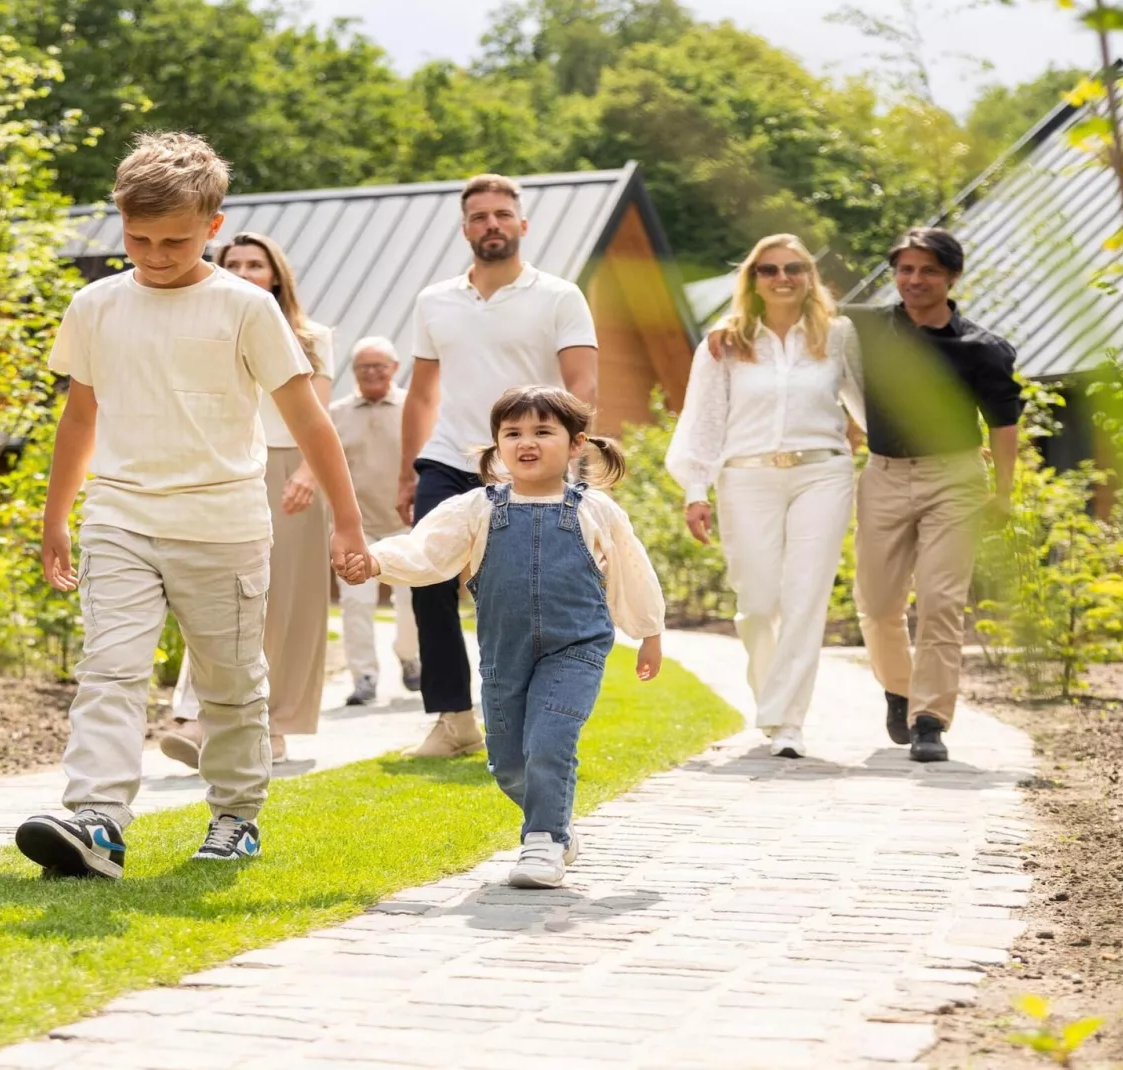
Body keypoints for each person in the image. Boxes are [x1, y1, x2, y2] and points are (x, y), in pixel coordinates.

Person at [14, 132, 369, 877]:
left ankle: (237, 815)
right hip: (120, 518)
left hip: (223, 525)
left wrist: (348, 519)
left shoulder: (245, 308)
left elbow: (309, 419)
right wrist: (56, 517)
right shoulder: (96, 305)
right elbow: (80, 418)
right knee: (109, 670)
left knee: (231, 683)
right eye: (137, 237)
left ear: (213, 226)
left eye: (174, 239)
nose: (154, 253)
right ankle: (97, 821)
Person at [346, 386, 663, 889]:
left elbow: (632, 570)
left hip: (576, 647)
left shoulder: (596, 511)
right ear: (496, 446)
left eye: (542, 431)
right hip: (503, 652)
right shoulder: (478, 507)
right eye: (512, 433)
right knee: (510, 761)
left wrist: (648, 632)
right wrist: (377, 559)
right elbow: (427, 550)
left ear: (576, 444)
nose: (526, 442)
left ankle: (540, 841)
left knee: (550, 739)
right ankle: (557, 826)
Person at [397, 174, 599, 759]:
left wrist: (565, 458)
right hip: (449, 457)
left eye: (502, 215)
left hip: (526, 463)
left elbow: (581, 384)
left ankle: (534, 716)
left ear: (522, 225)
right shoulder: (433, 300)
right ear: (466, 229)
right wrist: (408, 471)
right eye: (480, 216)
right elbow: (421, 394)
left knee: (520, 593)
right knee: (427, 576)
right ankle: (454, 718)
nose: (492, 225)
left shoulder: (560, 296)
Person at [666, 235, 864, 760]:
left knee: (805, 596)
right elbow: (704, 419)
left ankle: (787, 721)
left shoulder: (839, 335)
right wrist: (695, 489)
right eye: (770, 269)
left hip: (822, 474)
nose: (783, 277)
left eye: (794, 268)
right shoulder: (724, 342)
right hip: (746, 477)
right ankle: (772, 704)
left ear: (809, 276)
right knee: (756, 602)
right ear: (753, 278)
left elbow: (867, 407)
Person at [159, 232, 334, 767]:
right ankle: (193, 717)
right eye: (233, 263)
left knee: (286, 607)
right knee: (213, 595)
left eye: (256, 264)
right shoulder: (203, 331)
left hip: (290, 473)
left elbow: (318, 417)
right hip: (226, 470)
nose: (244, 271)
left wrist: (309, 472)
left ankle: (274, 725)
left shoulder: (312, 337)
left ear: (276, 275)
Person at [847, 227, 1021, 763]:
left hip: (954, 478)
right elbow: (800, 310)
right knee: (876, 604)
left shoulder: (981, 348)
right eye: (905, 269)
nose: (914, 280)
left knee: (942, 600)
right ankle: (899, 690)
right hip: (883, 475)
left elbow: (1004, 423)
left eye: (927, 270)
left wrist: (1004, 494)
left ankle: (930, 720)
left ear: (951, 277)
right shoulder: (869, 329)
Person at [330, 336, 421, 706]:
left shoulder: (413, 409)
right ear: (353, 372)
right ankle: (364, 676)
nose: (372, 373)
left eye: (379, 366)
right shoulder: (336, 413)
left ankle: (409, 656)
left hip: (406, 523)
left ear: (394, 369)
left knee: (411, 600)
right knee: (355, 603)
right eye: (363, 367)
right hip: (358, 527)